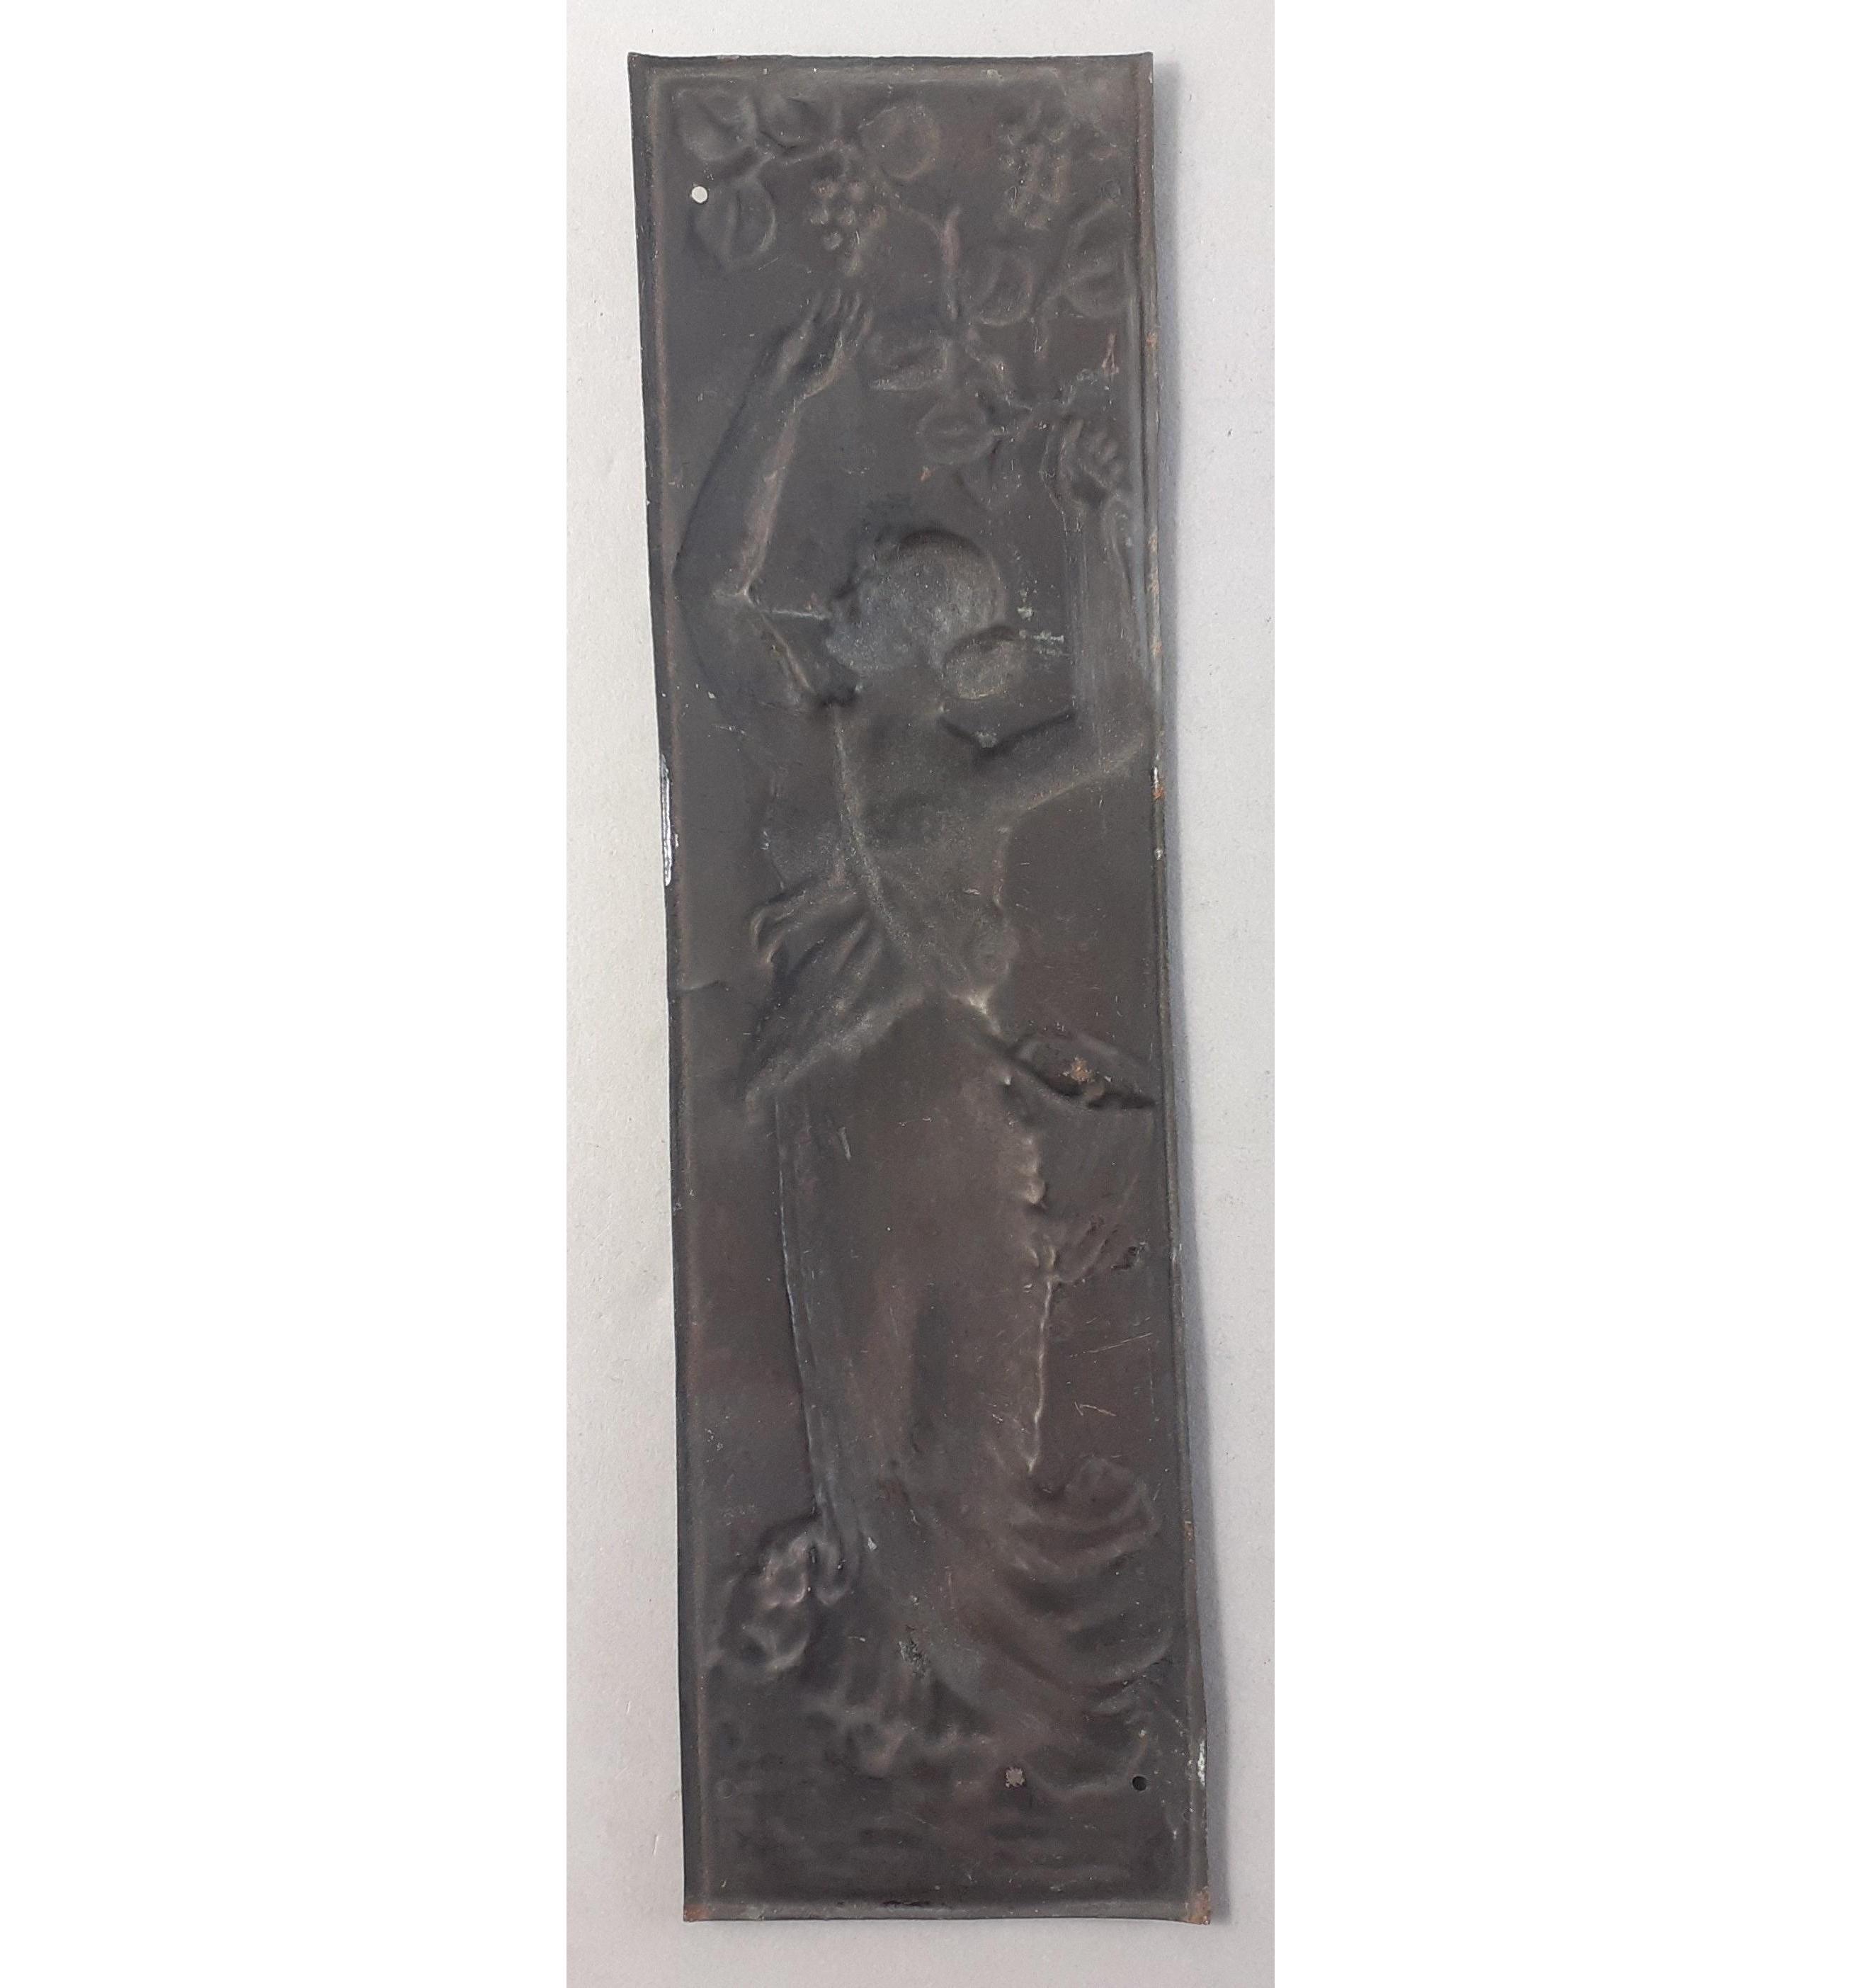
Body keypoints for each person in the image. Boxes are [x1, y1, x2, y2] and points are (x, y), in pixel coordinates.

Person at [675, 284, 1168, 1788]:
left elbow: (1118, 729)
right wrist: (775, 408)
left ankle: (985, 1709)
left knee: (942, 1413)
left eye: (881, 591)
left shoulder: (940, 776)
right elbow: (710, 601)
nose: (851, 596)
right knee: (875, 1412)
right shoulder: (810, 750)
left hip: (933, 1114)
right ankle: (918, 1706)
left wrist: (1096, 530)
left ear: (916, 639)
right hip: (861, 1115)